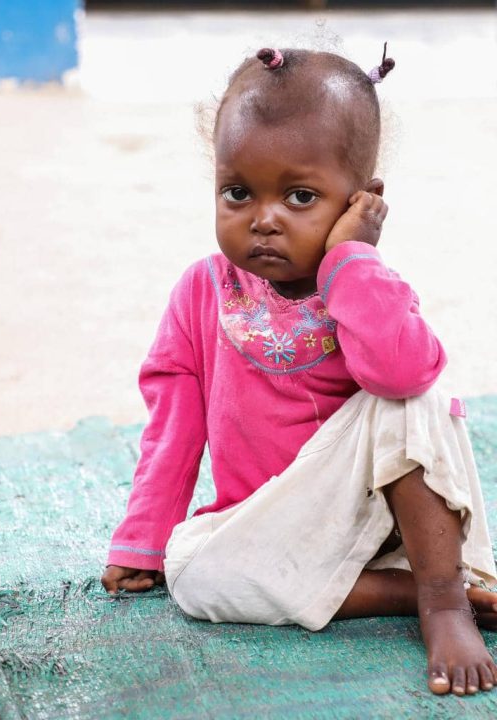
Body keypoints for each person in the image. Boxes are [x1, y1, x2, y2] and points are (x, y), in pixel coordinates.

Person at [100, 45, 497, 696]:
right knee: (193, 573)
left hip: (383, 517)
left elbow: (401, 372)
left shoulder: (366, 282)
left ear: (360, 202)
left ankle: (444, 600)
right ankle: (398, 595)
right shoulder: (202, 292)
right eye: (238, 192)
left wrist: (351, 260)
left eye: (301, 196)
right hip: (276, 527)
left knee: (411, 397)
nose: (263, 219)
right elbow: (174, 426)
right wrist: (142, 538)